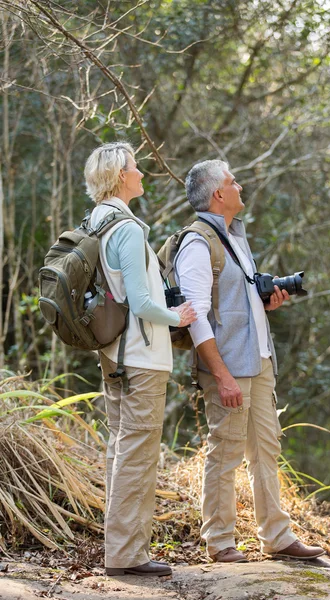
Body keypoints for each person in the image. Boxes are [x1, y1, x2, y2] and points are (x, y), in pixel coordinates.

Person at [174, 160, 325, 563]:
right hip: (228, 369)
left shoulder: (235, 236)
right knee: (225, 451)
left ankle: (277, 536)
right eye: (232, 181)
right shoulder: (197, 243)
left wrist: (266, 303)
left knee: (266, 449)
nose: (239, 186)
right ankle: (220, 541)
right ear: (218, 194)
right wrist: (221, 375)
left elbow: (235, 305)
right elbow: (196, 317)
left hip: (259, 361)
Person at [84, 142, 196, 577]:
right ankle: (128, 556)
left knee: (120, 448)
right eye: (135, 168)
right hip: (141, 358)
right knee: (138, 453)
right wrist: (178, 315)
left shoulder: (96, 221)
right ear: (119, 176)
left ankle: (120, 549)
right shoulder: (127, 229)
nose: (142, 174)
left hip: (113, 355)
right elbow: (141, 301)